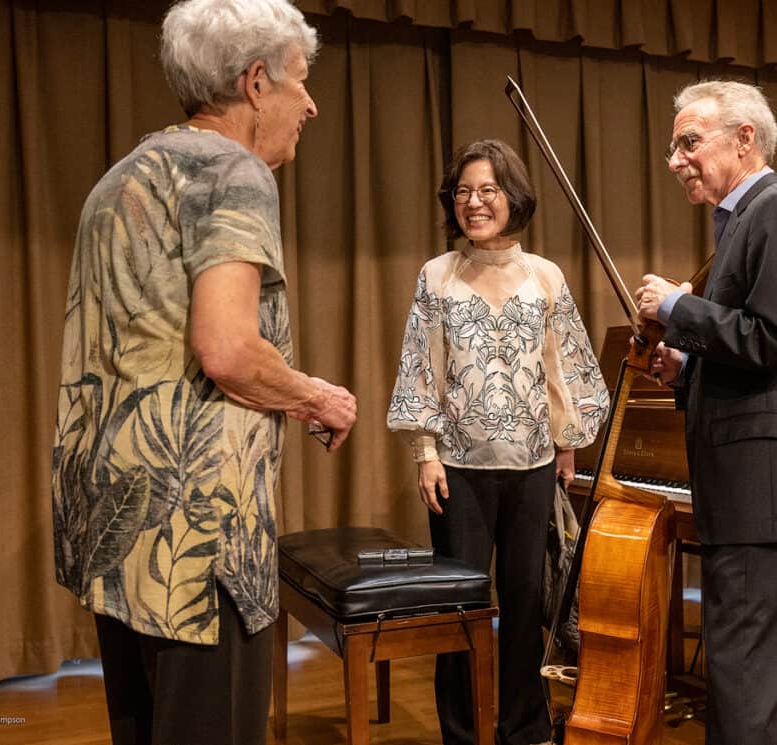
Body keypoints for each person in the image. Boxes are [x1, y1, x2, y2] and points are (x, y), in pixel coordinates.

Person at [50, 2, 357, 744]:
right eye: (299, 81)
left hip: (113, 528)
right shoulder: (234, 171)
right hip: (197, 543)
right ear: (255, 82)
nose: (310, 104)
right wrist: (317, 396)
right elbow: (225, 348)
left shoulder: (122, 178)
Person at [633, 80, 777, 745]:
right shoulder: (746, 220)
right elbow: (760, 348)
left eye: (689, 142)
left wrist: (679, 311)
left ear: (745, 139)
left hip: (765, 495)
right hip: (762, 494)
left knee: (741, 679)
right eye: (672, 147)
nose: (676, 160)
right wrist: (689, 364)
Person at [387, 139, 609, 745]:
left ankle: (525, 728)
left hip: (533, 466)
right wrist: (424, 454)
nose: (474, 202)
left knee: (524, 604)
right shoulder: (437, 275)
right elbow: (420, 369)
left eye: (487, 190)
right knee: (460, 609)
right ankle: (460, 732)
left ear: (513, 197)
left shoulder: (546, 277)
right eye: (462, 191)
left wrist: (567, 446)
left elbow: (562, 368)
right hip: (458, 468)